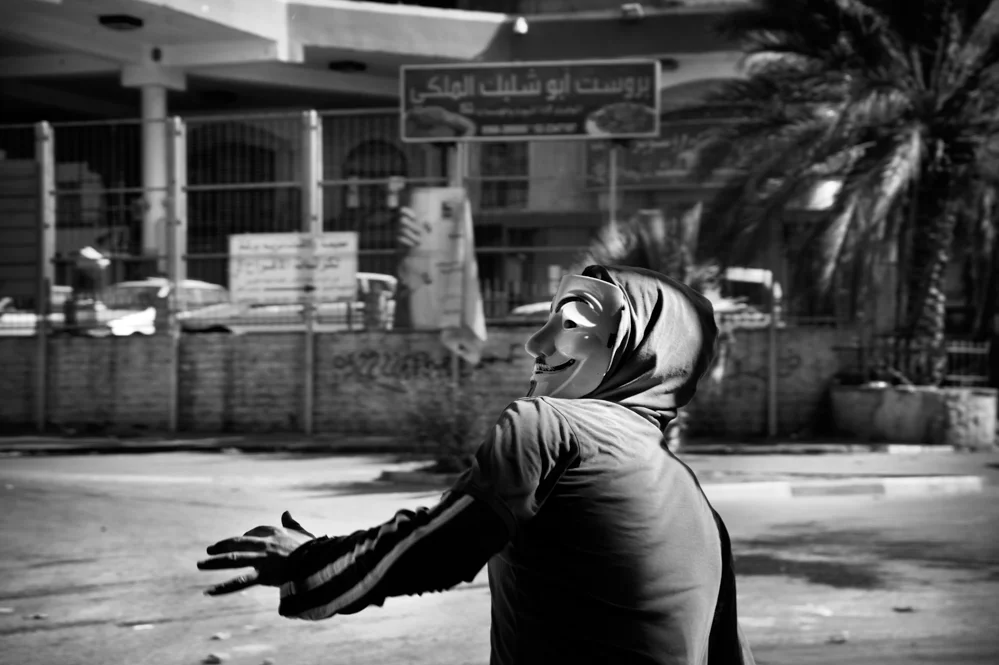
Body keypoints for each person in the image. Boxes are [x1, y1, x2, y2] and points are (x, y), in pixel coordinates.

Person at [197, 263, 755, 665]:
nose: (538, 343)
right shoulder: (691, 496)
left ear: (637, 345)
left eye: (572, 321)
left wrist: (307, 564)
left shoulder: (551, 422)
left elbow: (444, 544)